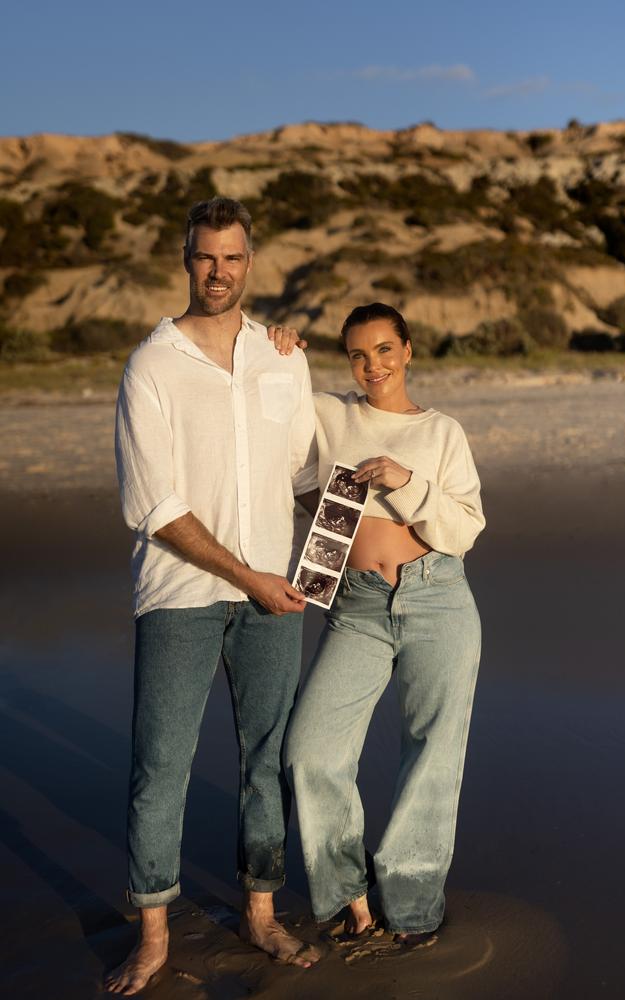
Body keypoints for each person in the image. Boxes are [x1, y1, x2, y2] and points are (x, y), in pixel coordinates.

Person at [106, 196, 320, 995]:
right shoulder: (151, 365)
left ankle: (260, 911)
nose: (219, 271)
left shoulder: (283, 357)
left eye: (233, 258)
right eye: (205, 256)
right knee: (160, 765)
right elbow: (153, 507)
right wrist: (247, 576)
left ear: (251, 262)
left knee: (266, 758)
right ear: (185, 257)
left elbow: (301, 474)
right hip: (181, 592)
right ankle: (154, 932)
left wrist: (348, 531)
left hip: (277, 592)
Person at [284, 302, 485, 948]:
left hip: (438, 600)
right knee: (311, 750)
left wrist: (407, 483)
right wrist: (278, 347)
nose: (373, 365)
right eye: (358, 355)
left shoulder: (443, 432)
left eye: (385, 350)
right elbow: (276, 412)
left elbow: (465, 528)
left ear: (408, 350)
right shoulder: (332, 414)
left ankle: (413, 904)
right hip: (358, 606)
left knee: (433, 755)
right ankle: (349, 893)